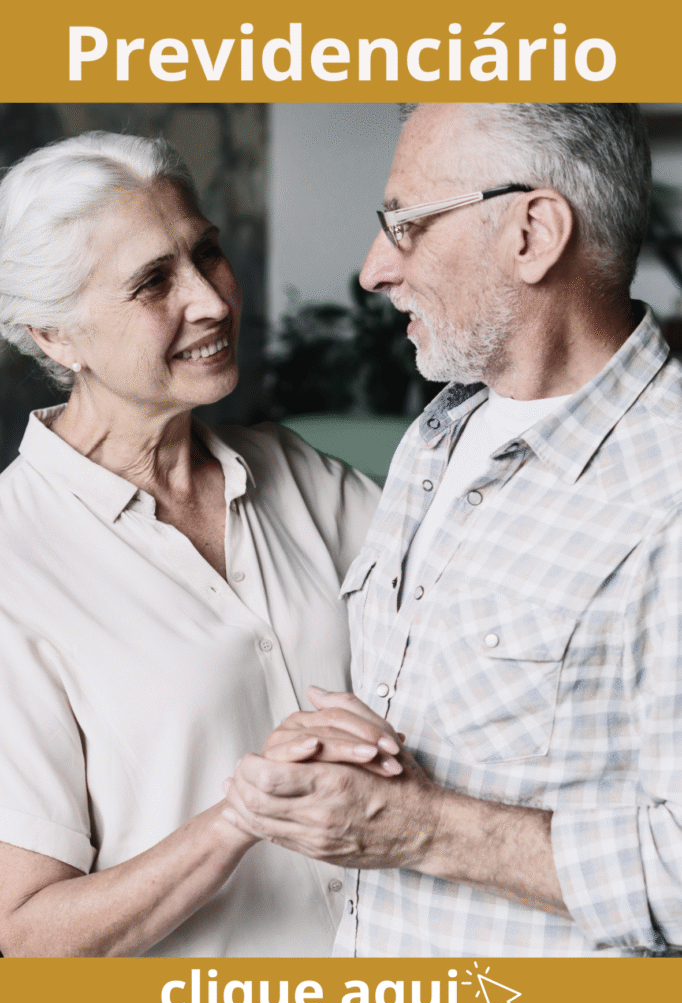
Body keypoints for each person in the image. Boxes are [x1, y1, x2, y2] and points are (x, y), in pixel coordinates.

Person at [225, 103, 682, 957]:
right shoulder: (440, 434)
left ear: (533, 233)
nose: (371, 271)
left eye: (405, 225)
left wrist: (425, 831)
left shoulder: (670, 493)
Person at [0, 131, 384, 957]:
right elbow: (31, 935)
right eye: (153, 283)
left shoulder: (297, 473)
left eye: (206, 254)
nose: (210, 300)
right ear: (54, 336)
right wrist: (242, 815)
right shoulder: (13, 564)